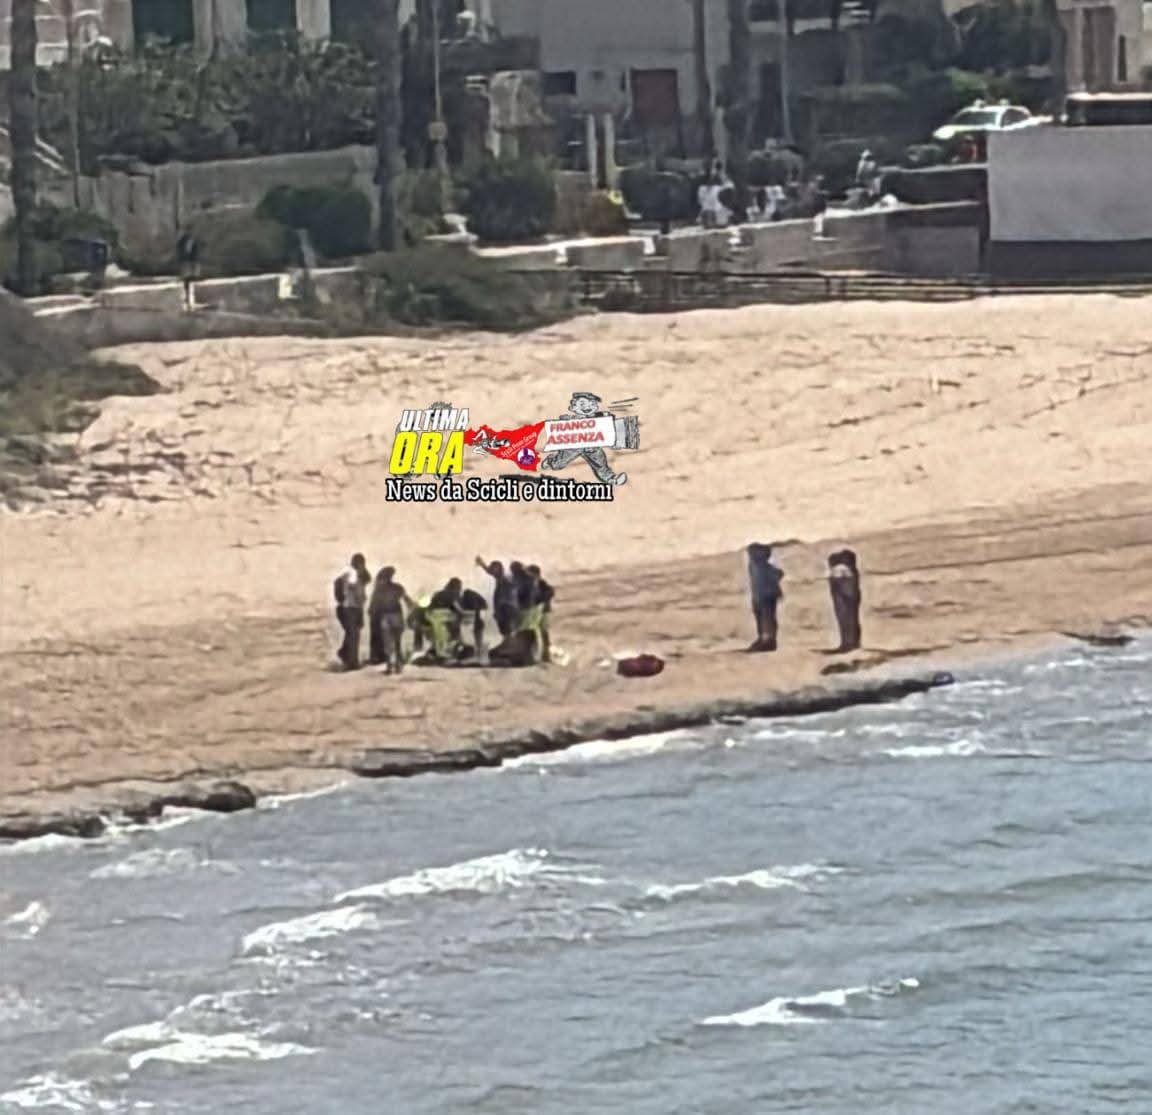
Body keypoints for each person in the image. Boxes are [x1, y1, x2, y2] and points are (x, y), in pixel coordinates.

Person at [540, 392, 628, 487]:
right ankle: (551, 461)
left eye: (593, 404)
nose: (588, 407)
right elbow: (562, 428)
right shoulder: (570, 419)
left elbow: (607, 428)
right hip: (573, 447)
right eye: (582, 404)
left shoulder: (598, 418)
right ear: (573, 408)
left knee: (601, 464)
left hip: (592, 447)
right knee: (558, 465)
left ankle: (611, 479)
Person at [368, 566, 414, 673]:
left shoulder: (379, 590)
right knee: (397, 642)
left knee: (388, 642)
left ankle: (390, 665)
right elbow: (408, 601)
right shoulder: (397, 588)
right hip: (396, 615)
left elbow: (373, 606)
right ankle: (397, 664)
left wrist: (373, 615)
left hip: (386, 616)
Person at [333, 553, 371, 669]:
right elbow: (353, 584)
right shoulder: (352, 573)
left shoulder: (353, 573)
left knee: (352, 633)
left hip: (354, 607)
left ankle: (346, 654)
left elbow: (366, 580)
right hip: (350, 607)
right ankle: (351, 661)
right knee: (353, 634)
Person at [746, 542, 784, 652]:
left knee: (767, 619)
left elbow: (779, 574)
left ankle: (769, 640)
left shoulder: (765, 565)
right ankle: (763, 639)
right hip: (759, 595)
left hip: (767, 596)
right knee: (761, 618)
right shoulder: (754, 565)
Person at [828, 549, 862, 652]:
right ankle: (850, 642)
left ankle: (849, 643)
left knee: (846, 616)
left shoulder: (841, 573)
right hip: (848, 584)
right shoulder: (850, 572)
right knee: (848, 616)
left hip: (846, 585)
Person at [475, 556, 517, 637]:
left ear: (499, 569)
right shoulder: (501, 577)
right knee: (505, 630)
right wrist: (482, 564)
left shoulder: (505, 579)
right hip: (505, 607)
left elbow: (503, 597)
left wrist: (498, 611)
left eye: (493, 568)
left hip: (506, 608)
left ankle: (509, 643)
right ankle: (508, 643)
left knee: (507, 630)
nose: (491, 570)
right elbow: (489, 571)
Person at [527, 563, 554, 663]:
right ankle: (532, 655)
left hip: (542, 613)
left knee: (544, 634)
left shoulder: (542, 584)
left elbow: (550, 592)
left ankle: (546, 655)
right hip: (532, 613)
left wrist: (541, 600)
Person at [176, 227, 200, 311]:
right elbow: (179, 251)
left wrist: (195, 260)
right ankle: (186, 300)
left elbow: (196, 251)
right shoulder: (182, 241)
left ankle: (191, 301)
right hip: (185, 262)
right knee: (186, 281)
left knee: (191, 281)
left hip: (191, 262)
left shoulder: (194, 241)